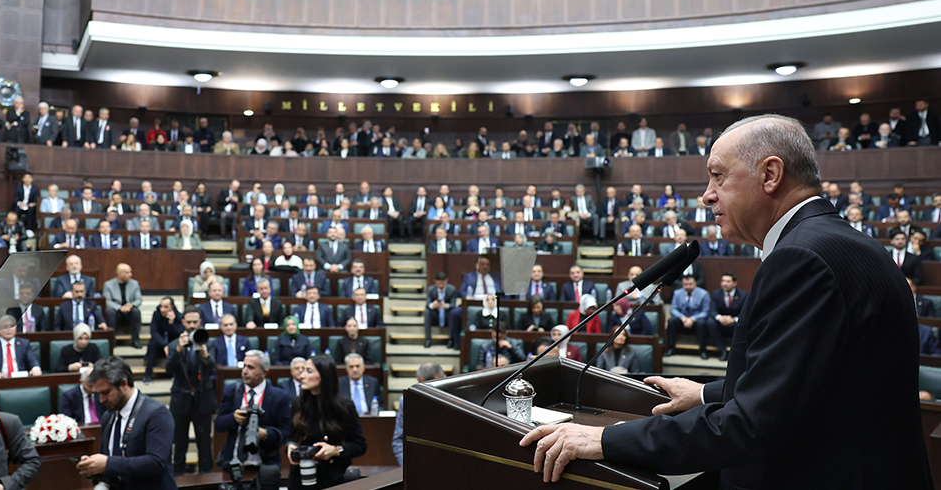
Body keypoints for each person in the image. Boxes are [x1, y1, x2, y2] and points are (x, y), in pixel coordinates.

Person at [521, 114, 929, 488]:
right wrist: (704, 394)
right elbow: (817, 381)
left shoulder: (801, 258)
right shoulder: (844, 243)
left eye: (718, 177)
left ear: (770, 174)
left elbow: (752, 425)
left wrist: (604, 439)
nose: (707, 196)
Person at [76, 357, 176, 490]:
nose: (101, 400)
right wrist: (93, 467)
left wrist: (108, 464)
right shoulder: (108, 416)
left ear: (124, 384)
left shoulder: (156, 413)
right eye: (98, 394)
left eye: (105, 392)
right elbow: (109, 461)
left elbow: (156, 462)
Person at [286, 355, 367, 489]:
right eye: (303, 371)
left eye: (309, 371)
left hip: (331, 479)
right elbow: (290, 436)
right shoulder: (297, 403)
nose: (302, 376)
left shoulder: (344, 407)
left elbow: (360, 445)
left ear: (324, 376)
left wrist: (335, 450)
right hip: (299, 477)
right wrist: (290, 446)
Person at [214, 350, 293, 470]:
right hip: (233, 464)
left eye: (250, 367)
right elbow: (219, 425)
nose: (245, 371)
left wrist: (266, 434)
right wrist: (233, 418)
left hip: (265, 465)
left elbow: (286, 432)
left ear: (264, 372)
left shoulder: (280, 397)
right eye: (244, 366)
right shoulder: (231, 391)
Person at [166, 306, 216, 474]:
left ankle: (206, 478)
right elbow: (169, 369)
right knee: (180, 444)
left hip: (203, 400)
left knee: (205, 444)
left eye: (195, 322)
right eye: (189, 322)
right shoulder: (174, 344)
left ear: (200, 321)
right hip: (181, 400)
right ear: (182, 322)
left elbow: (213, 368)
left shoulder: (208, 342)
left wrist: (205, 355)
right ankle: (178, 478)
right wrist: (178, 351)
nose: (192, 325)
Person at [392, 363, 445, 467]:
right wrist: (408, 467)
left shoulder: (455, 401)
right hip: (417, 462)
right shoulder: (408, 400)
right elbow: (398, 440)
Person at [144, 297, 184, 383]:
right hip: (160, 344)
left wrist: (172, 323)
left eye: (166, 307)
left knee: (179, 345)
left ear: (172, 307)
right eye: (161, 306)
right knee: (152, 343)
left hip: (172, 344)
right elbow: (154, 332)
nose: (162, 310)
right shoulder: (156, 315)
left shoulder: (179, 316)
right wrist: (164, 345)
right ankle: (148, 374)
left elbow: (179, 334)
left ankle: (175, 375)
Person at [103, 263, 143, 348]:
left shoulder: (134, 284)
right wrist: (119, 308)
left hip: (129, 311)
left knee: (136, 311)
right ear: (119, 274)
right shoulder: (108, 284)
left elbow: (138, 299)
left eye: (130, 272)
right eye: (127, 273)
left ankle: (135, 340)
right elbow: (107, 301)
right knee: (109, 311)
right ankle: (112, 341)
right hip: (116, 311)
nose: (130, 275)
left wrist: (131, 305)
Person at [424, 272, 458, 348]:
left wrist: (446, 306)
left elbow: (453, 305)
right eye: (438, 283)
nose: (441, 286)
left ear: (446, 281)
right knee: (427, 312)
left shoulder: (452, 289)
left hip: (446, 314)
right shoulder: (431, 289)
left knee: (453, 313)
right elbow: (427, 304)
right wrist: (433, 305)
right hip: (436, 313)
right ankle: (428, 339)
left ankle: (451, 340)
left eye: (442, 283)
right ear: (435, 281)